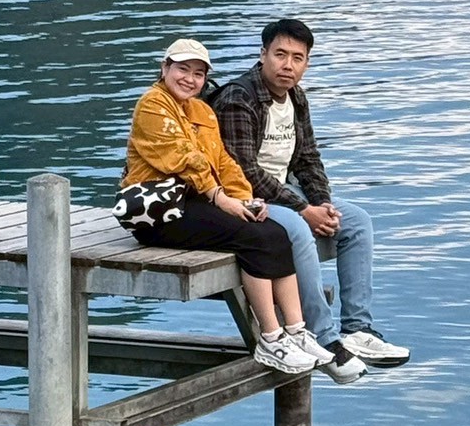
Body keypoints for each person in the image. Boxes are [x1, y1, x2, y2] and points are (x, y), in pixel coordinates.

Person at [121, 37, 335, 376]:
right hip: (159, 212)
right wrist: (222, 199)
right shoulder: (153, 105)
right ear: (165, 69)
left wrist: (246, 198)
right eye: (182, 70)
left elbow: (223, 161)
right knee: (254, 238)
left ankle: (296, 332)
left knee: (275, 232)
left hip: (196, 202)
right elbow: (184, 159)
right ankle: (270, 337)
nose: (189, 79)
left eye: (198, 74)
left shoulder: (202, 111)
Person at [214, 18, 409, 384]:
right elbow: (243, 172)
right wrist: (304, 210)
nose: (287, 65)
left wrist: (323, 204)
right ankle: (324, 337)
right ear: (263, 54)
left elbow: (307, 158)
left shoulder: (296, 97)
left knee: (356, 222)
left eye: (297, 58)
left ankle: (357, 328)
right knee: (298, 232)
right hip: (246, 199)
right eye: (280, 55)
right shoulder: (238, 99)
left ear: (306, 62)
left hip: (286, 192)